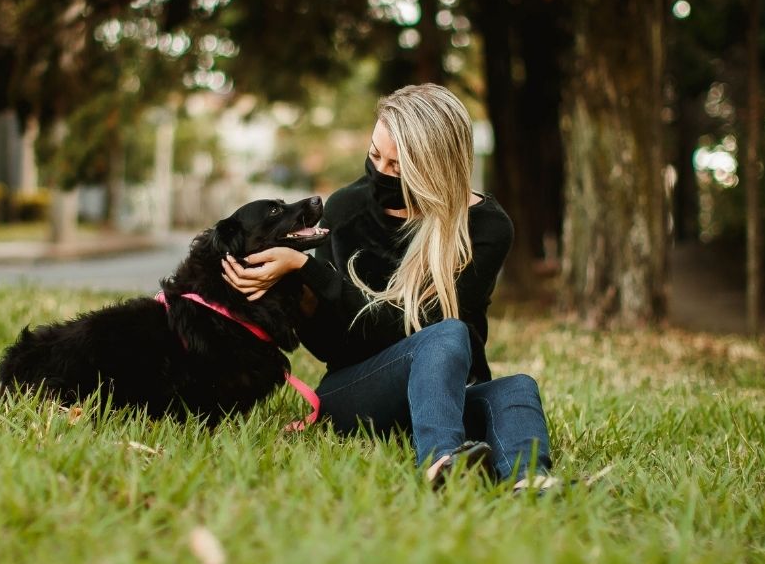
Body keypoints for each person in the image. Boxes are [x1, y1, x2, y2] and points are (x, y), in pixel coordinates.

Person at [222, 83, 555, 492]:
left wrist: (312, 272)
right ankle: (441, 465)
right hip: (358, 393)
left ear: (434, 169)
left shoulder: (485, 228)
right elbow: (334, 347)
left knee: (517, 385)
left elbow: (414, 328)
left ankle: (531, 482)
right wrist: (302, 276)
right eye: (375, 155)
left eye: (397, 167)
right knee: (448, 333)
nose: (380, 173)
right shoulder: (347, 210)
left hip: (443, 395)